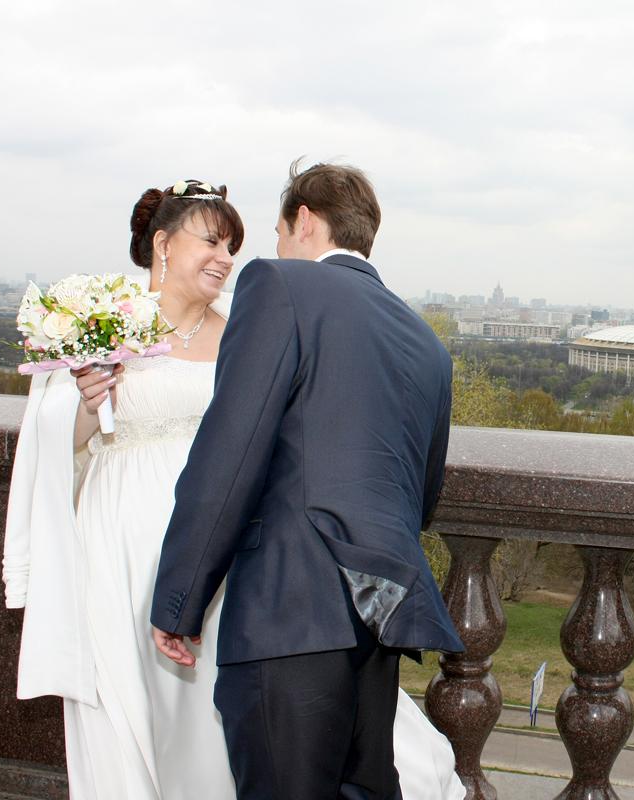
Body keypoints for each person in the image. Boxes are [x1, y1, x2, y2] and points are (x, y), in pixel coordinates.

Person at [2, 178, 464, 800]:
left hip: (221, 563)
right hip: (124, 547)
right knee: (142, 722)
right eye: (212, 241)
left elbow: (246, 450)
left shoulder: (258, 315)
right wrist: (87, 406)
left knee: (236, 742)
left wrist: (183, 597)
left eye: (235, 245)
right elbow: (51, 435)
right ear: (162, 244)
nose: (226, 258)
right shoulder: (104, 323)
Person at [149, 161, 465, 800]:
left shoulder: (280, 285)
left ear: (306, 221)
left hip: (287, 612)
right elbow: (421, 499)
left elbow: (229, 455)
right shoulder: (426, 343)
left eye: (276, 231)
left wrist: (180, 600)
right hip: (377, 625)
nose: (270, 249)